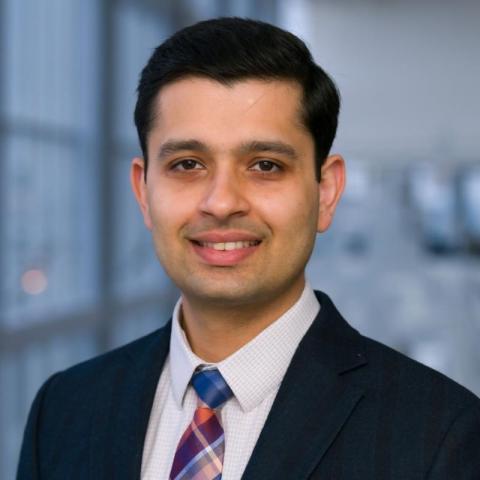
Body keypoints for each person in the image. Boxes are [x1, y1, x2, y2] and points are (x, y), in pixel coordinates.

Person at [17, 17, 480, 480]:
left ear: (326, 191)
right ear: (143, 191)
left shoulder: (441, 435)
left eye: (264, 165)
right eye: (187, 164)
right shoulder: (64, 411)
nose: (221, 203)